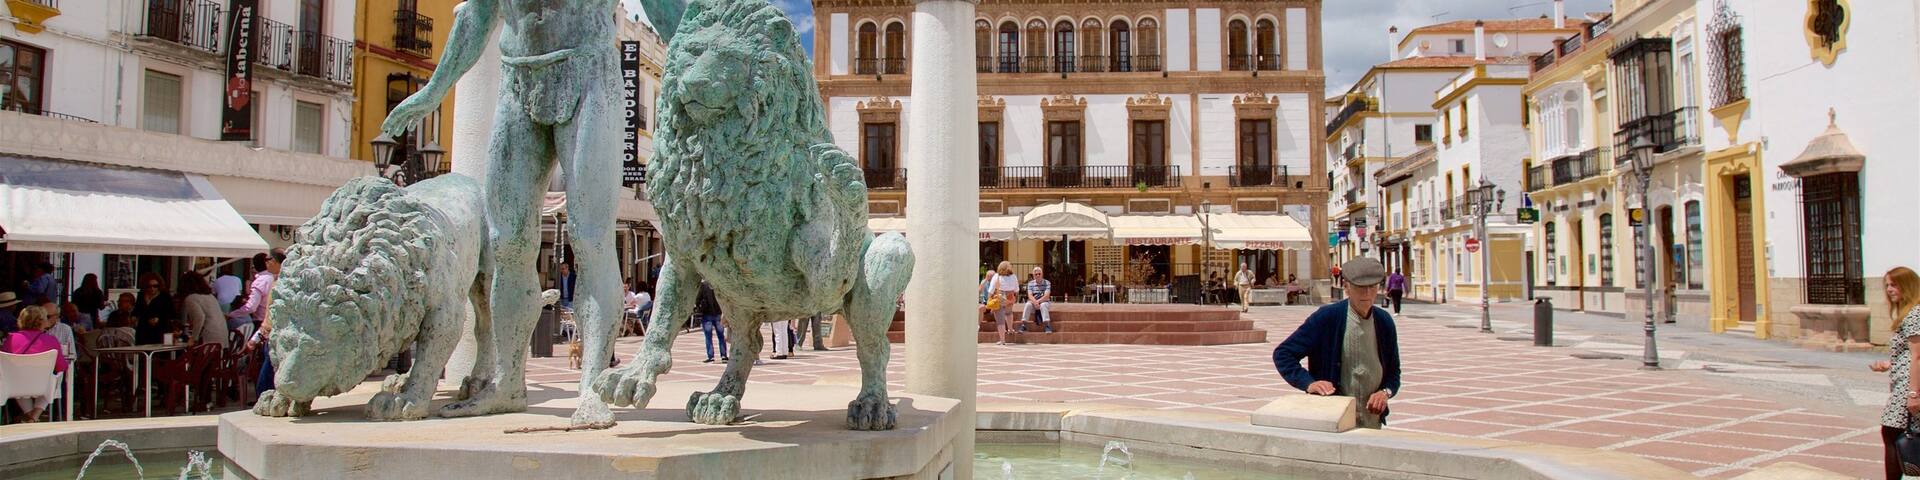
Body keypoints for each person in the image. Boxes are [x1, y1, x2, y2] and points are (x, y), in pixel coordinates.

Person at [1271, 258, 1402, 429]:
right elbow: (1283, 353)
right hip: (1332, 419)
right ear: (1346, 287)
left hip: (1371, 422)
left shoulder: (1384, 321)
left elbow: (1394, 372)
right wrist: (1309, 383)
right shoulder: (1327, 317)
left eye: (1373, 287)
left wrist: (1385, 392)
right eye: (1360, 287)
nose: (1368, 293)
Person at [1869, 266, 1920, 480]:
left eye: (1894, 284)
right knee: (1904, 434)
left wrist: (1913, 393)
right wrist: (1890, 364)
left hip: (1909, 386)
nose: (1889, 289)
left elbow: (1918, 355)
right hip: (1905, 381)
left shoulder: (1914, 314)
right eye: (1887, 285)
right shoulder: (1909, 312)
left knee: (1891, 433)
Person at [3, 305, 68, 422]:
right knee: (52, 379)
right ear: (42, 321)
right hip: (42, 386)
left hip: (16, 386)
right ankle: (34, 417)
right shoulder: (51, 340)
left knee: (16, 379)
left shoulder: (11, 339)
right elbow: (62, 366)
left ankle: (30, 417)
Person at [228, 251, 282, 331]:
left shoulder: (260, 281)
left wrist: (231, 315)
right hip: (275, 320)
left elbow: (251, 307)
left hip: (261, 322)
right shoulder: (275, 279)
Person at [178, 273, 227, 351]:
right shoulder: (210, 296)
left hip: (209, 338)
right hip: (222, 337)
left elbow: (199, 317)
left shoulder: (191, 298)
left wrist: (193, 338)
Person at [132, 272, 175, 345]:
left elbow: (170, 313)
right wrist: (134, 317)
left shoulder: (164, 297)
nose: (152, 288)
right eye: (149, 286)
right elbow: (137, 310)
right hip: (143, 328)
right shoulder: (141, 296)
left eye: (155, 286)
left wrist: (159, 319)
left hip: (159, 329)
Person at [987, 262, 1020, 345]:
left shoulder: (997, 276)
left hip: (1000, 296)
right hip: (1010, 296)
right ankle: (1010, 329)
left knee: (1000, 319)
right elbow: (1017, 289)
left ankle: (1002, 340)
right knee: (1009, 313)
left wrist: (989, 299)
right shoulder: (1013, 276)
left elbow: (991, 290)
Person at [695, 281, 728, 363]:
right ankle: (723, 356)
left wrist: (699, 306)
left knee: (708, 337)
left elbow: (698, 298)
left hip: (707, 314)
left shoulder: (703, 285)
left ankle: (711, 357)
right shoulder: (718, 284)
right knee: (721, 336)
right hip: (718, 313)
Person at [1021, 267, 1054, 334]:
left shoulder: (1047, 283)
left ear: (1042, 274)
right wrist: (1035, 302)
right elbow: (1030, 295)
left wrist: (1038, 302)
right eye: (1036, 274)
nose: (1038, 275)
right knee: (1028, 304)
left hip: (1044, 302)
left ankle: (1047, 325)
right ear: (1033, 275)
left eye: (1039, 274)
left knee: (1043, 305)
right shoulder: (1030, 283)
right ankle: (1024, 324)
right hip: (1034, 302)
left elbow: (1047, 295)